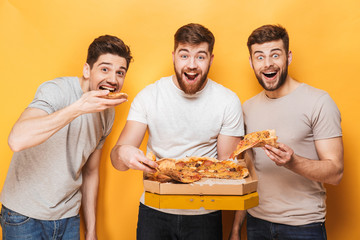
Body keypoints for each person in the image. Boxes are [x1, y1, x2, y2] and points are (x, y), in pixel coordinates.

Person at [110, 23, 244, 240]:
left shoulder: (228, 101)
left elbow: (226, 169)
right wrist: (123, 153)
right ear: (173, 57)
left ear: (211, 59)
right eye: (184, 55)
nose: (191, 65)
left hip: (205, 213)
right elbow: (116, 160)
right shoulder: (149, 96)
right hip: (154, 210)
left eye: (200, 56)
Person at [0, 35, 132, 239]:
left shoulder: (108, 113)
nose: (113, 79)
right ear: (87, 70)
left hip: (68, 217)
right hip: (24, 217)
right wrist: (79, 108)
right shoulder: (56, 90)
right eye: (104, 69)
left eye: (120, 73)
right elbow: (16, 140)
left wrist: (91, 232)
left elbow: (91, 173)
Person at [229, 24, 344, 240]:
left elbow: (336, 172)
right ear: (251, 62)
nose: (268, 63)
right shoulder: (247, 109)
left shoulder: (319, 102)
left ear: (288, 57)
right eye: (260, 57)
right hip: (256, 224)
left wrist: (293, 162)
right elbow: (249, 172)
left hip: (303, 226)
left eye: (275, 54)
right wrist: (236, 228)